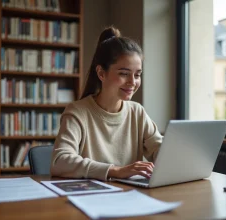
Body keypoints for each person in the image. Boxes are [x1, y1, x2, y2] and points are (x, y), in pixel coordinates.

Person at [51, 26, 163, 181]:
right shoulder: (77, 112)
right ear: (101, 73)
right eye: (124, 73)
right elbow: (60, 161)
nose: (132, 82)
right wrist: (115, 170)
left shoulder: (137, 112)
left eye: (137, 75)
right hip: (91, 197)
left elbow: (161, 150)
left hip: (131, 197)